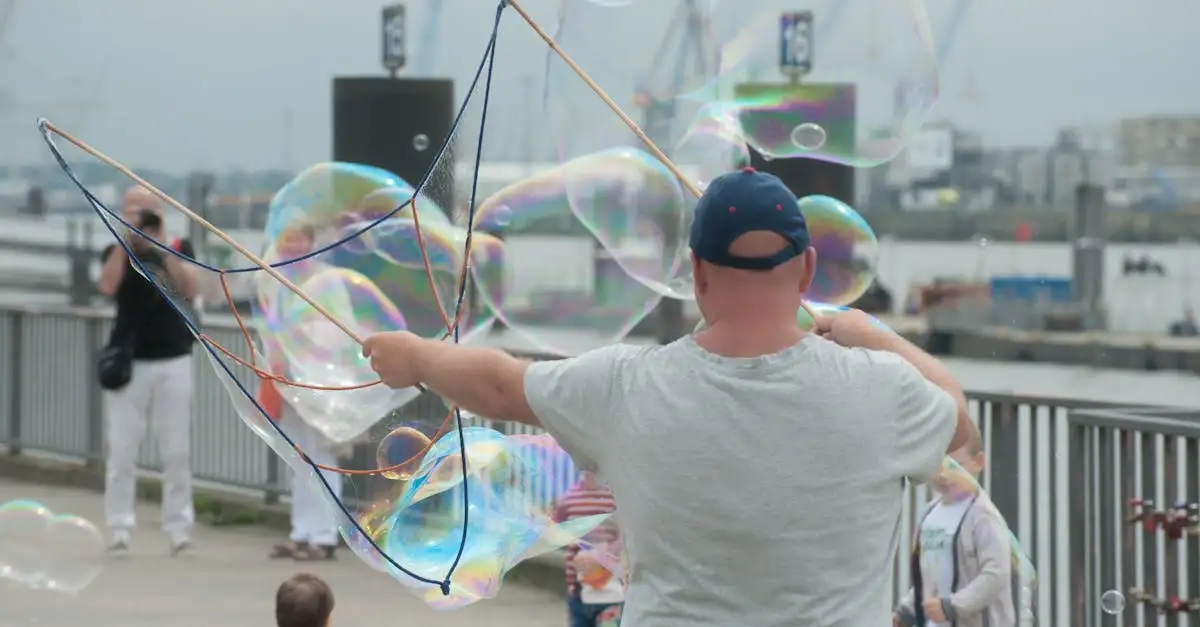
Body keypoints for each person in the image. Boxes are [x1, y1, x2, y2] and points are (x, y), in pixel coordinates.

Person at [361, 167, 976, 626]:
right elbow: (957, 417)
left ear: (698, 273)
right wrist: (871, 332)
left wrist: (412, 356)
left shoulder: (627, 386)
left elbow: (498, 382)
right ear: (808, 271)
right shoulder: (883, 389)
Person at [97, 185, 199, 555]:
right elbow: (107, 285)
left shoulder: (178, 247)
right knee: (122, 450)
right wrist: (127, 243)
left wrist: (160, 246)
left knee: (176, 451)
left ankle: (179, 528)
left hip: (174, 359)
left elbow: (190, 288)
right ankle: (119, 526)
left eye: (145, 212)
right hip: (131, 364)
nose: (139, 218)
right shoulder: (116, 251)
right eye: (131, 212)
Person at [260, 224, 341, 561]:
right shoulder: (274, 281)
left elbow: (336, 330)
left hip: (317, 380)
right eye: (287, 239)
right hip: (285, 377)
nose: (293, 245)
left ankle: (324, 535)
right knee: (298, 457)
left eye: (299, 238)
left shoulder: (328, 281)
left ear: (311, 241)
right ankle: (301, 532)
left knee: (322, 456)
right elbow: (268, 330)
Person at [893, 431, 1017, 627]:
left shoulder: (983, 516)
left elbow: (996, 574)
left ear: (979, 462)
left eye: (956, 465)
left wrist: (952, 606)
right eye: (938, 463)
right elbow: (930, 576)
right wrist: (907, 610)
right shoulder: (929, 515)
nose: (944, 474)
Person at [553, 471, 624, 627]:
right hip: (579, 586)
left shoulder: (614, 497)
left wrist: (606, 553)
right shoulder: (569, 499)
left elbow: (624, 533)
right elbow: (558, 531)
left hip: (611, 586)